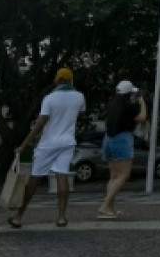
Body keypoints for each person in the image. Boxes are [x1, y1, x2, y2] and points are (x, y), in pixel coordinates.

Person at [8, 67, 86, 228]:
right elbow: (80, 112)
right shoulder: (79, 97)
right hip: (67, 141)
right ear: (71, 80)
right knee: (62, 176)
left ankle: (18, 216)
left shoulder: (49, 98)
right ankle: (61, 217)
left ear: (57, 80)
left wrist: (24, 145)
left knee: (35, 178)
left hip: (48, 143)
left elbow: (39, 124)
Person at [97, 80, 146, 220]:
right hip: (122, 139)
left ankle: (110, 208)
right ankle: (105, 206)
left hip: (108, 139)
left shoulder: (111, 104)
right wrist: (141, 101)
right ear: (129, 93)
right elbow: (142, 118)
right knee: (124, 175)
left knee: (113, 176)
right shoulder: (128, 106)